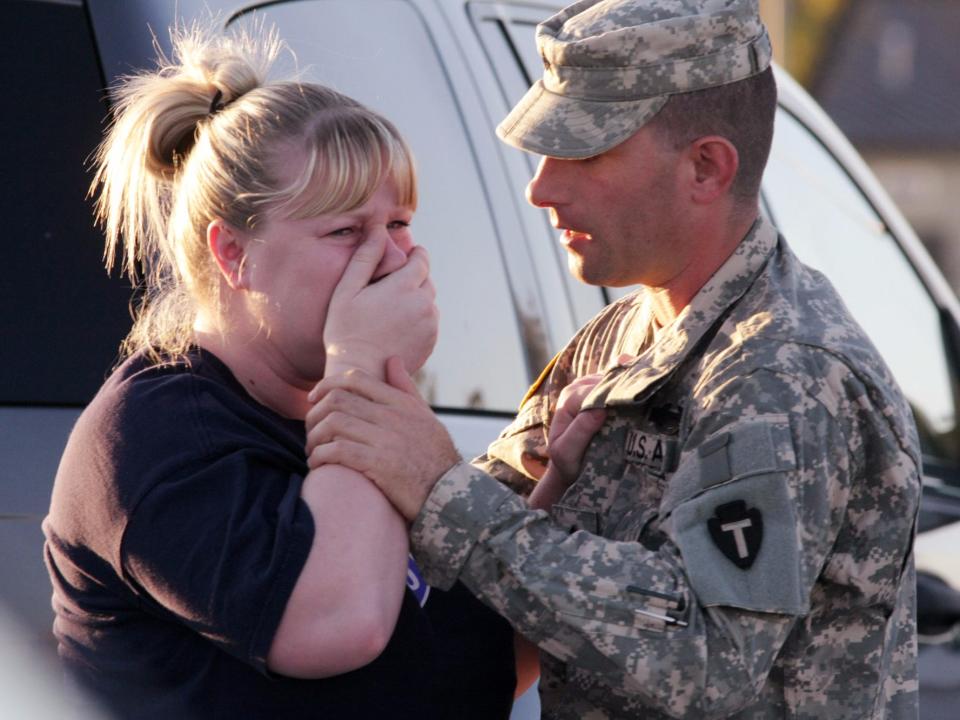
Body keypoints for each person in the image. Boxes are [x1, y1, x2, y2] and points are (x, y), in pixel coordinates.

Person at [304, 0, 923, 717]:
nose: (541, 188)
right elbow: (445, 558)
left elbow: (704, 655)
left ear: (706, 168)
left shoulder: (784, 371)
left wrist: (443, 489)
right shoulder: (621, 340)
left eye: (584, 153)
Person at [42, 23, 516, 720]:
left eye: (400, 223)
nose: (391, 260)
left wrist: (547, 488)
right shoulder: (160, 435)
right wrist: (363, 369)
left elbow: (471, 667)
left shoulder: (343, 416)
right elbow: (336, 624)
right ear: (233, 254)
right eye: (345, 232)